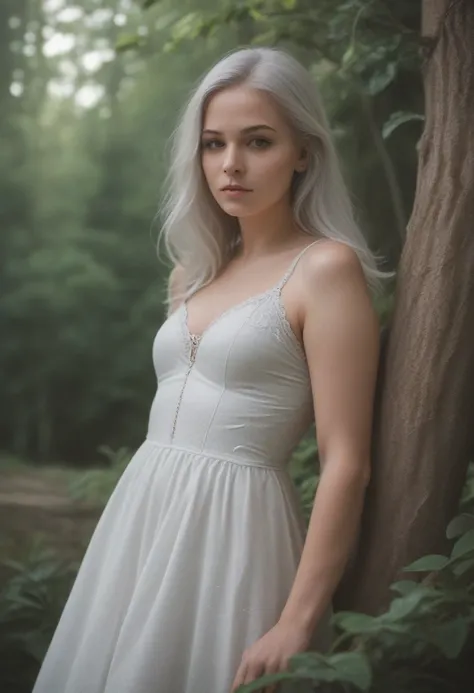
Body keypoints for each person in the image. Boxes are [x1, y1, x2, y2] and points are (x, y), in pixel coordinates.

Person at [32, 46, 388, 693]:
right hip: (141, 518)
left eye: (258, 141)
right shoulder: (190, 276)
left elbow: (346, 462)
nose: (231, 164)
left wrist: (296, 620)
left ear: (303, 151)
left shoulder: (324, 271)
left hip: (235, 535)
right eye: (213, 143)